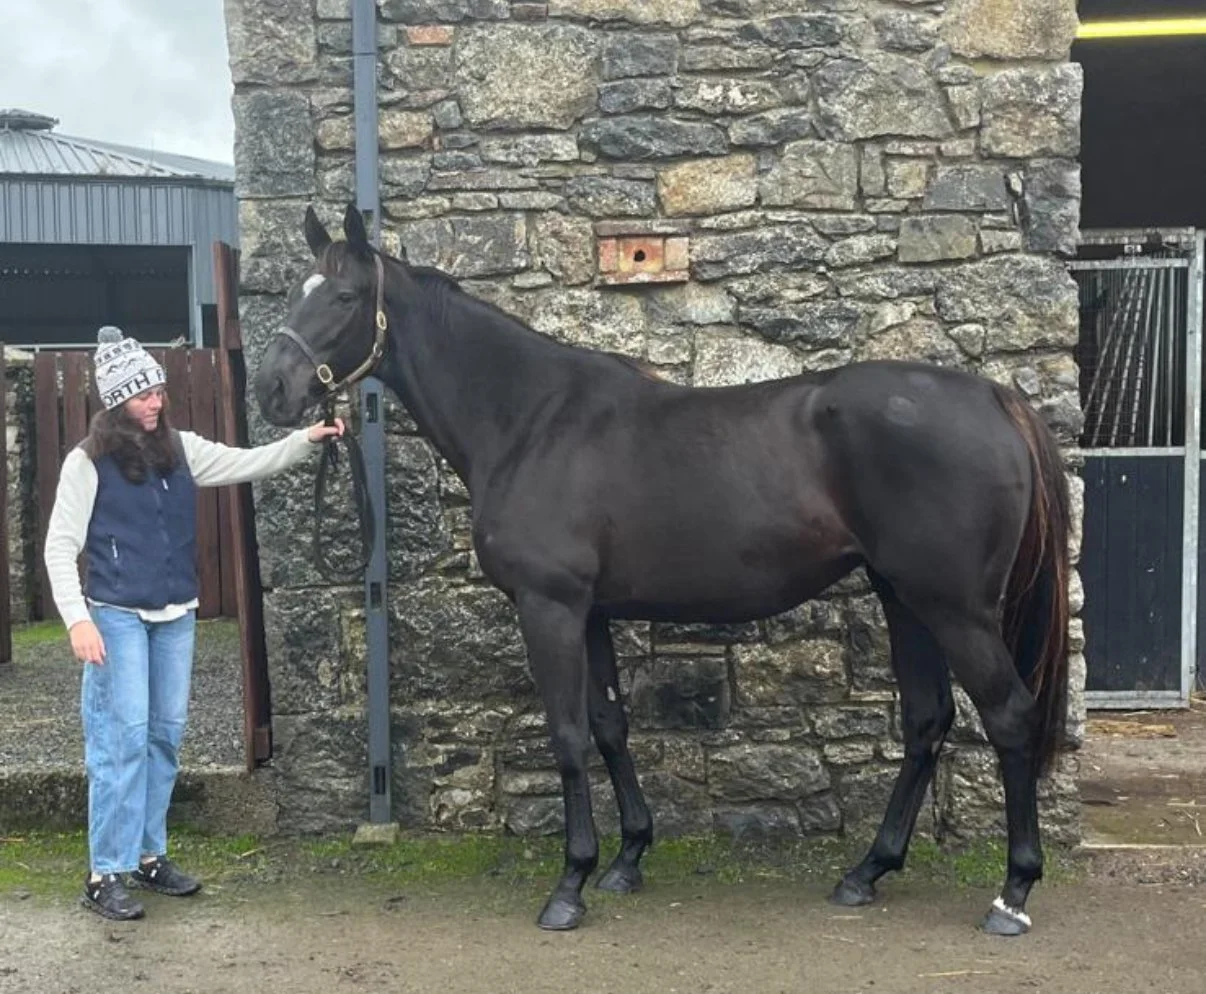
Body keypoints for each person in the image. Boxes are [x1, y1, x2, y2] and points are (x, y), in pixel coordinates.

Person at [43, 326, 344, 921]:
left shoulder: (179, 448)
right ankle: (106, 871)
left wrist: (305, 439)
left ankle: (150, 856)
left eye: (157, 391)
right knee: (120, 742)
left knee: (163, 738)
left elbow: (245, 463)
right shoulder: (86, 463)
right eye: (143, 394)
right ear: (117, 401)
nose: (155, 402)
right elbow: (59, 547)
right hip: (117, 618)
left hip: (175, 615)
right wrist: (79, 620)